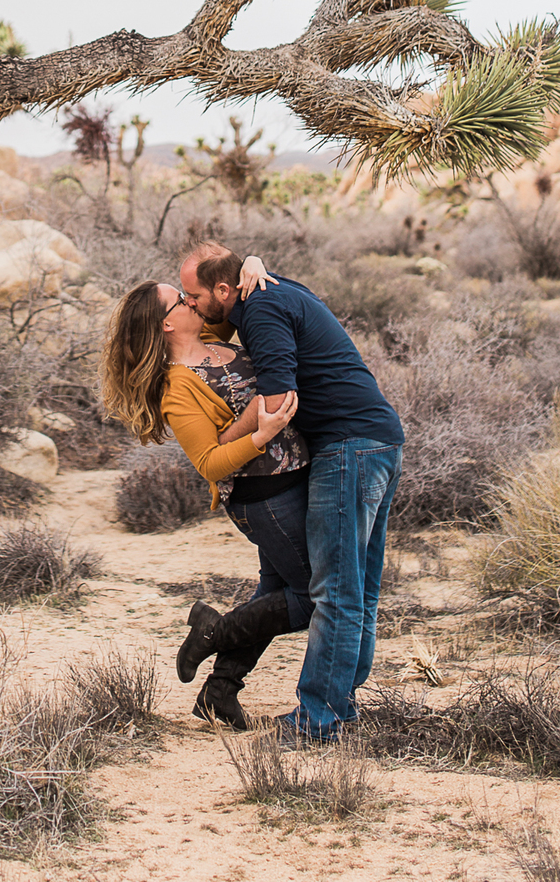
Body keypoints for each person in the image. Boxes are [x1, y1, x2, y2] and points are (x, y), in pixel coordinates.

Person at [177, 241, 405, 744]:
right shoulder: (268, 290)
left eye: (193, 294)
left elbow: (278, 401)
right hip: (376, 440)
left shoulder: (258, 310)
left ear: (222, 288)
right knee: (359, 590)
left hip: (348, 448)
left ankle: (318, 719)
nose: (189, 304)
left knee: (333, 591)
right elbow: (201, 325)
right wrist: (252, 260)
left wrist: (223, 444)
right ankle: (338, 707)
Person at [98, 279, 310, 728]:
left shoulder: (214, 341)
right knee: (312, 595)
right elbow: (210, 463)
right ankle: (214, 631)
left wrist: (251, 265)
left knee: (274, 594)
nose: (191, 300)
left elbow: (236, 297)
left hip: (292, 479)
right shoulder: (177, 387)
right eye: (180, 298)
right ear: (168, 322)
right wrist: (261, 435)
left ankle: (219, 692)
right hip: (263, 497)